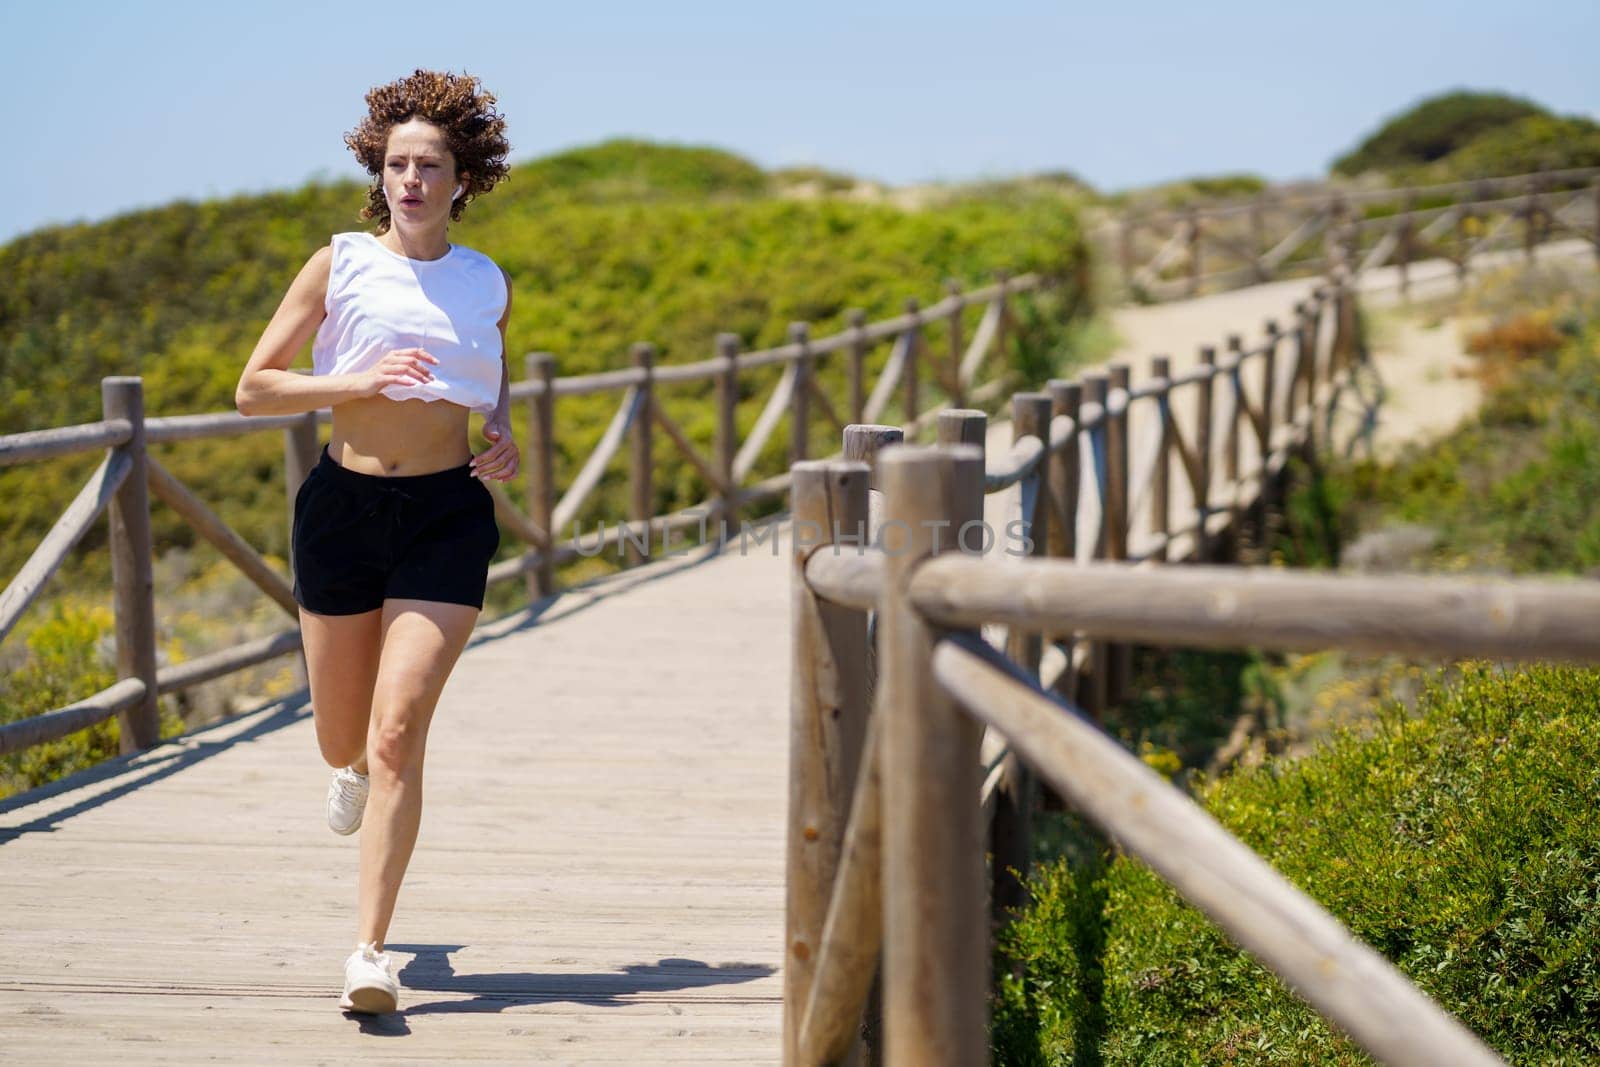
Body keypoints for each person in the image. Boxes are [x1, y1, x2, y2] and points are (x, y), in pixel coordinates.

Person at [234, 69, 517, 1015]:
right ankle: (344, 767)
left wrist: (500, 435)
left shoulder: (486, 281)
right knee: (344, 736)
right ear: (379, 172)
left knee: (400, 730)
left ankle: (369, 952)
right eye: (397, 164)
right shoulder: (340, 263)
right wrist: (352, 383)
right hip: (343, 511)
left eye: (429, 164)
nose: (411, 180)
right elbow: (254, 388)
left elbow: (486, 380)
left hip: (446, 515)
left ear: (461, 177)